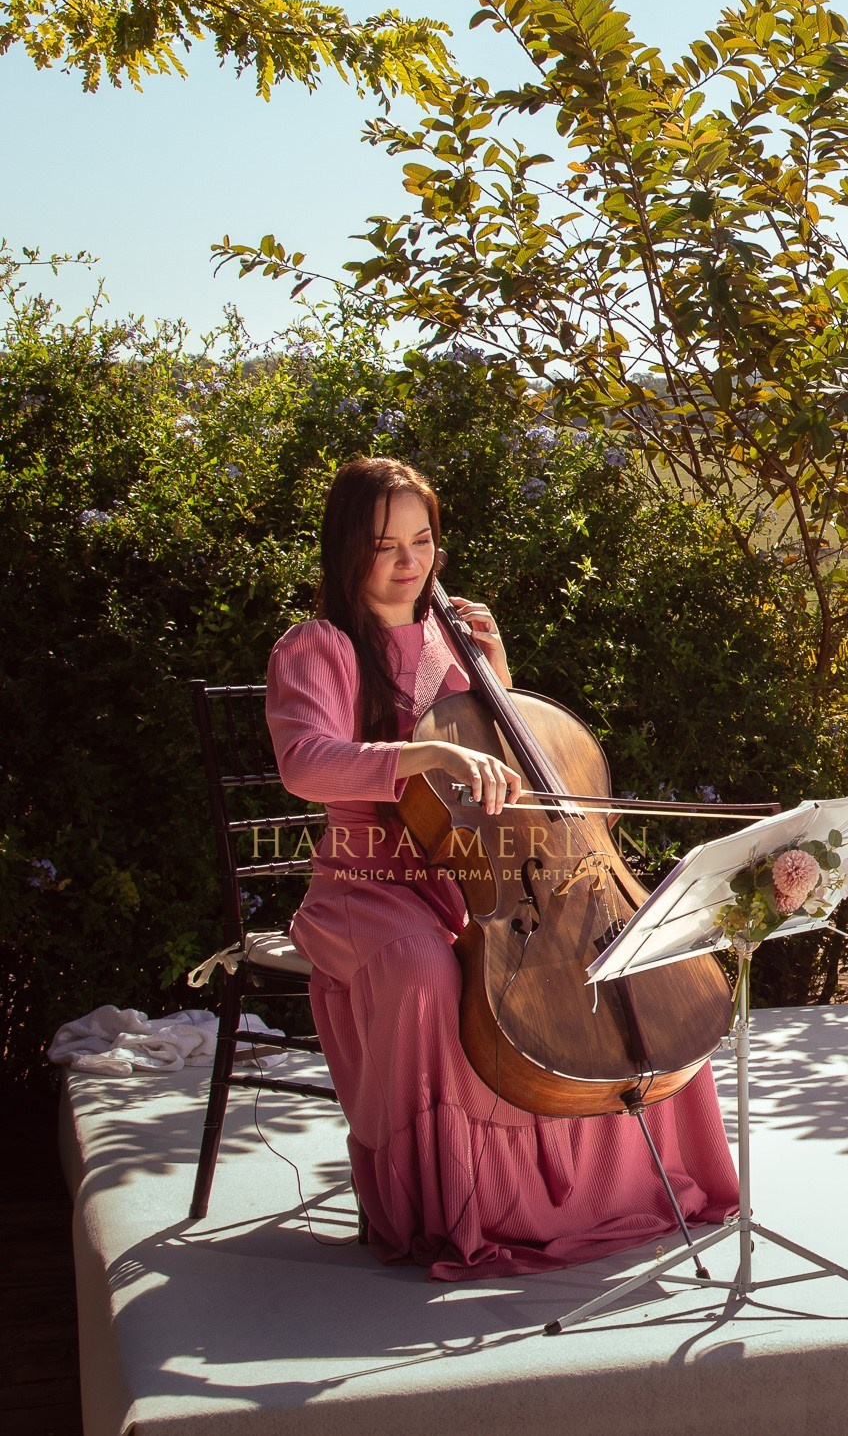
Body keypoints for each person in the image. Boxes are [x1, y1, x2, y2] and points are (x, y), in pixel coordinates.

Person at [265, 457, 736, 1279]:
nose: (410, 562)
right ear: (346, 551)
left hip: (481, 877)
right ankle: (458, 1202)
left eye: (423, 540)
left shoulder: (455, 643)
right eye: (386, 545)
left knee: (610, 959)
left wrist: (498, 679)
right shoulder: (319, 646)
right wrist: (418, 754)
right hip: (368, 886)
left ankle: (614, 1187)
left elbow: (507, 770)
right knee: (426, 972)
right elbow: (306, 763)